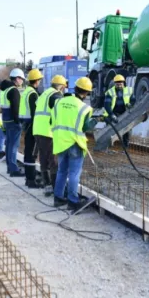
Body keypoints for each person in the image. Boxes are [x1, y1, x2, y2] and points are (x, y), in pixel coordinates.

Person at [52, 77, 98, 212]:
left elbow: (52, 121)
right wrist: (95, 121)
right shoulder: (84, 107)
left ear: (75, 88)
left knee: (61, 171)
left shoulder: (59, 102)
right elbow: (85, 128)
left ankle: (58, 198)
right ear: (85, 93)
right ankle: (73, 201)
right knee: (74, 173)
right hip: (75, 143)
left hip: (60, 141)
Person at [33, 74, 67, 197]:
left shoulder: (44, 94)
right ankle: (54, 186)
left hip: (38, 130)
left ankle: (47, 184)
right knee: (53, 160)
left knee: (43, 158)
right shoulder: (56, 95)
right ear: (62, 86)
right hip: (48, 131)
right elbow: (61, 111)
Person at [20, 69, 44, 188]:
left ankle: (29, 178)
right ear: (37, 81)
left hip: (26, 124)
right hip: (32, 126)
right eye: (39, 80)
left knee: (28, 152)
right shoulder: (33, 94)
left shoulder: (26, 91)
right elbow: (36, 113)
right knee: (31, 154)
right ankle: (31, 180)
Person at [1, 68, 26, 177]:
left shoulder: (4, 89)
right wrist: (18, 121)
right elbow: (15, 108)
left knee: (9, 144)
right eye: (22, 79)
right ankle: (13, 169)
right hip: (13, 121)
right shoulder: (14, 90)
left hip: (6, 120)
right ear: (17, 78)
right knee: (13, 146)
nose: (22, 81)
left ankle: (9, 167)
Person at [103, 74, 134, 147]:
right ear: (114, 83)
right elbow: (107, 105)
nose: (119, 83)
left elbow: (133, 100)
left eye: (121, 82)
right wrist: (111, 115)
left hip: (125, 112)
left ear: (124, 82)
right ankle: (107, 146)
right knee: (109, 129)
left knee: (127, 129)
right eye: (117, 82)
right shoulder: (110, 92)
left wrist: (130, 104)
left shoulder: (129, 90)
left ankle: (125, 145)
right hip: (113, 113)